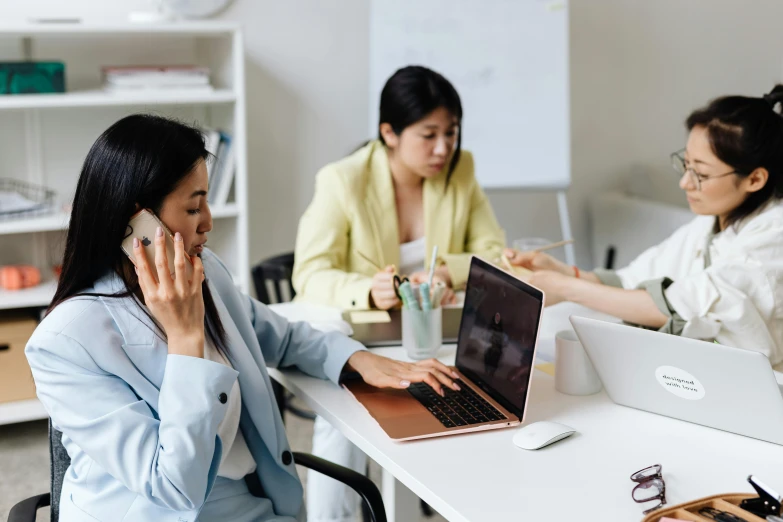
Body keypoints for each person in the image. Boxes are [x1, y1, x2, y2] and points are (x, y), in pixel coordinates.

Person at [24, 114, 461, 522]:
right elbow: (173, 486)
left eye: (207, 204)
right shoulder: (65, 343)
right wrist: (184, 338)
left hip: (246, 507)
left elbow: (280, 337)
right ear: (135, 222)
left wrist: (357, 359)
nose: (207, 222)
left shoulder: (205, 273)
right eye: (193, 208)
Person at [292, 65, 505, 521]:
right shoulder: (343, 180)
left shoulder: (459, 171)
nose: (444, 148)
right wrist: (366, 290)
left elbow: (495, 254)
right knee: (342, 425)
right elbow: (308, 273)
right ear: (389, 132)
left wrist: (447, 271)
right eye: (428, 135)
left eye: (451, 132)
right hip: (368, 339)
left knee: (491, 397)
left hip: (441, 336)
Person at [506, 86, 783, 371]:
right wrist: (563, 272)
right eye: (685, 164)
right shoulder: (710, 222)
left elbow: (676, 307)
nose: (685, 183)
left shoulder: (773, 237)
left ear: (755, 179)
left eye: (700, 173)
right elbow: (632, 282)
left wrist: (566, 288)